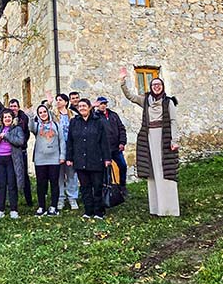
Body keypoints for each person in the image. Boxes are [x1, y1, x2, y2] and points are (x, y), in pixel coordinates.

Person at [121, 67, 181, 216]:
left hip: (164, 137)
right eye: (154, 85)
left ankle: (169, 208)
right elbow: (130, 97)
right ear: (151, 87)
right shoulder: (146, 101)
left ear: (162, 86)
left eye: (159, 84)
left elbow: (173, 121)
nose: (156, 87)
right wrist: (122, 82)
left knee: (165, 170)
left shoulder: (168, 102)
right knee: (153, 171)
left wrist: (174, 139)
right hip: (149, 137)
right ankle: (156, 208)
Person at [65, 98, 111, 220]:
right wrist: (69, 157)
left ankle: (99, 212)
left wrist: (107, 158)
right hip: (80, 160)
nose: (82, 108)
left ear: (89, 107)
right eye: (80, 106)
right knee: (85, 187)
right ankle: (88, 211)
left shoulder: (98, 121)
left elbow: (104, 141)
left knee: (97, 186)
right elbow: (70, 141)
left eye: (84, 106)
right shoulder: (74, 122)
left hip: (96, 159)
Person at [0, 111, 26, 219]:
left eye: (9, 117)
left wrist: (7, 136)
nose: (7, 119)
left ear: (12, 118)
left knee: (12, 185)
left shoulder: (17, 129)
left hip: (11, 160)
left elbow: (20, 141)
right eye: (5, 117)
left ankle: (14, 210)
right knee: (0, 185)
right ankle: (0, 209)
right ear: (2, 119)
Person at [29, 104, 63, 216]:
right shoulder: (37, 126)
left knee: (54, 183)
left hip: (54, 158)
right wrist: (30, 116)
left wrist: (62, 156)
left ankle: (53, 206)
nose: (43, 114)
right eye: (40, 113)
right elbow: (31, 127)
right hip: (40, 159)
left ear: (48, 112)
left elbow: (62, 141)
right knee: (41, 184)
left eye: (44, 111)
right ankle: (41, 206)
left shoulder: (57, 125)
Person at [95, 96, 128, 196]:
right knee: (106, 171)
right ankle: (107, 190)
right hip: (104, 149)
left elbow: (121, 129)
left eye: (104, 103)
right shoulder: (95, 117)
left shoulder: (114, 115)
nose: (103, 106)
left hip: (116, 148)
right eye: (101, 104)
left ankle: (122, 186)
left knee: (123, 166)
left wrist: (122, 142)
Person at [52, 93, 79, 211]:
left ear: (66, 102)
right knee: (59, 174)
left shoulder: (73, 115)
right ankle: (61, 198)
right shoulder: (53, 114)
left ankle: (72, 197)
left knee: (71, 174)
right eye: (57, 100)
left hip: (71, 147)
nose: (58, 102)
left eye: (60, 100)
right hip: (57, 148)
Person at [7, 98, 33, 206]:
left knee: (24, 175)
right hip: (10, 151)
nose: (13, 108)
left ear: (18, 107)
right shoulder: (7, 117)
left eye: (15, 106)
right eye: (11, 106)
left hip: (21, 150)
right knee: (11, 176)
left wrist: (21, 143)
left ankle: (29, 200)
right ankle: (12, 200)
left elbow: (26, 133)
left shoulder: (23, 117)